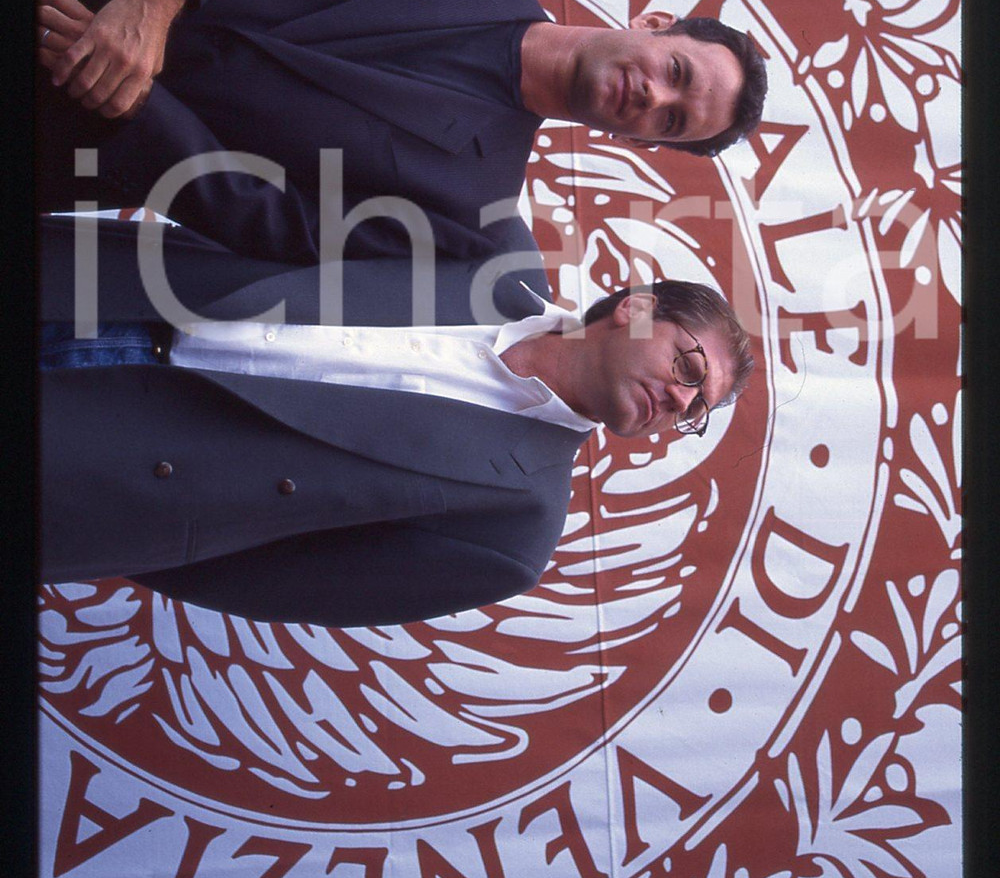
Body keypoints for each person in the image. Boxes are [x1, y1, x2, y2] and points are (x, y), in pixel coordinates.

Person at [36, 0, 767, 281]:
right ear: (655, 22)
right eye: (677, 74)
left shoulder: (466, 215)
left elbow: (273, 222)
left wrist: (138, 104)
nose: (654, 99)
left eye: (671, 123)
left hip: (65, 138)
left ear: (638, 143)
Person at [39, 213, 752, 628]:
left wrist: (128, 520)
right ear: (635, 309)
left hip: (97, 468)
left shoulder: (516, 527)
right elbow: (295, 208)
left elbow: (281, 585)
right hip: (108, 287)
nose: (683, 403)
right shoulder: (492, 246)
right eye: (690, 369)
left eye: (698, 411)